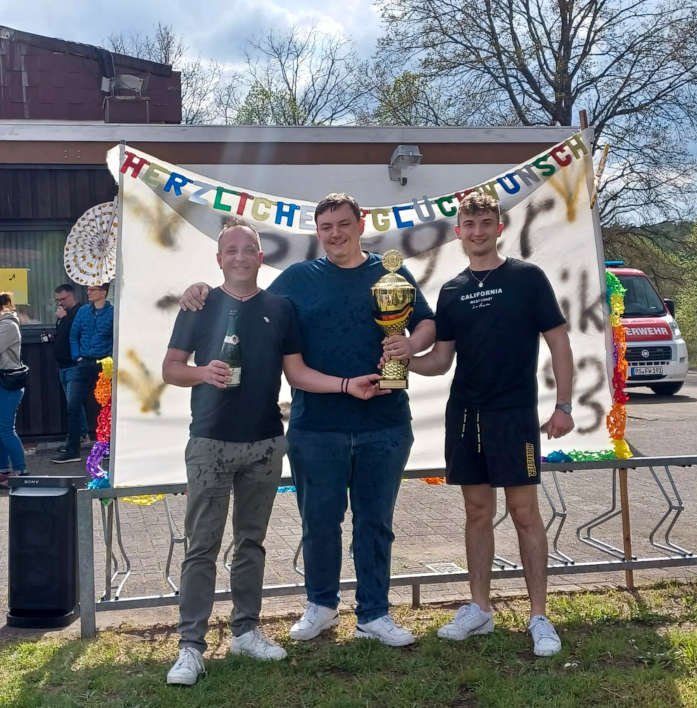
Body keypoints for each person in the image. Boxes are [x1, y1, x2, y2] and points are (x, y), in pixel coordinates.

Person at [180, 194, 435, 648]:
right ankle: (321, 605)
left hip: (385, 422)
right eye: (326, 227)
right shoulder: (298, 280)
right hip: (316, 426)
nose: (334, 233)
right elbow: (244, 296)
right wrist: (199, 288)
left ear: (362, 223)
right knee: (319, 522)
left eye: (342, 224)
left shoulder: (391, 275)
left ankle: (374, 613)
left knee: (376, 522)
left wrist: (411, 346)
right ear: (318, 233)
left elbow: (426, 324)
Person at [164, 217, 388, 686]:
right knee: (201, 547)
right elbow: (170, 369)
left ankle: (246, 630)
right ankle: (190, 646)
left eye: (249, 249)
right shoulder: (199, 304)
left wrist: (347, 385)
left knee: (250, 543)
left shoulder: (280, 307)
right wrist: (202, 373)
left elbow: (298, 373)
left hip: (266, 443)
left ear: (261, 257)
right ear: (219, 258)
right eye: (232, 250)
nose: (241, 257)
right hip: (209, 443)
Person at [393, 192, 574, 657]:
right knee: (477, 513)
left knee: (524, 513)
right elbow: (441, 360)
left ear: (499, 226)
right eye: (468, 224)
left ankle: (539, 615)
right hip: (465, 415)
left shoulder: (527, 278)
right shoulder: (451, 291)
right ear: (458, 232)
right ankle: (480, 608)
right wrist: (402, 362)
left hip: (514, 415)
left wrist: (564, 406)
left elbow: (559, 343)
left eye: (484, 222)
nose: (476, 231)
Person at [51, 283, 113, 464]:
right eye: (88, 289)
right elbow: (74, 335)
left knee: (105, 407)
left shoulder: (112, 313)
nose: (88, 292)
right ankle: (73, 449)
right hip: (84, 362)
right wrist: (77, 355)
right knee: (73, 405)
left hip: (104, 363)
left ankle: (107, 446)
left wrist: (110, 356)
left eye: (93, 289)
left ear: (103, 292)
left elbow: (116, 336)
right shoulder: (83, 311)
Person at [54, 284, 89, 451]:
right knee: (72, 404)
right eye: (58, 300)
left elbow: (75, 332)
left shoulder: (80, 312)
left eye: (63, 299)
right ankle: (79, 436)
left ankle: (79, 436)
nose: (60, 303)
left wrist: (63, 318)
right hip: (63, 365)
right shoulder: (65, 315)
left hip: (74, 365)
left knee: (73, 404)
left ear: (72, 296)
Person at [0, 292, 27, 488]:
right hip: (2, 381)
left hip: (8, 382)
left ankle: (21, 470)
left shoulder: (8, 326)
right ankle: (3, 470)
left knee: (6, 429)